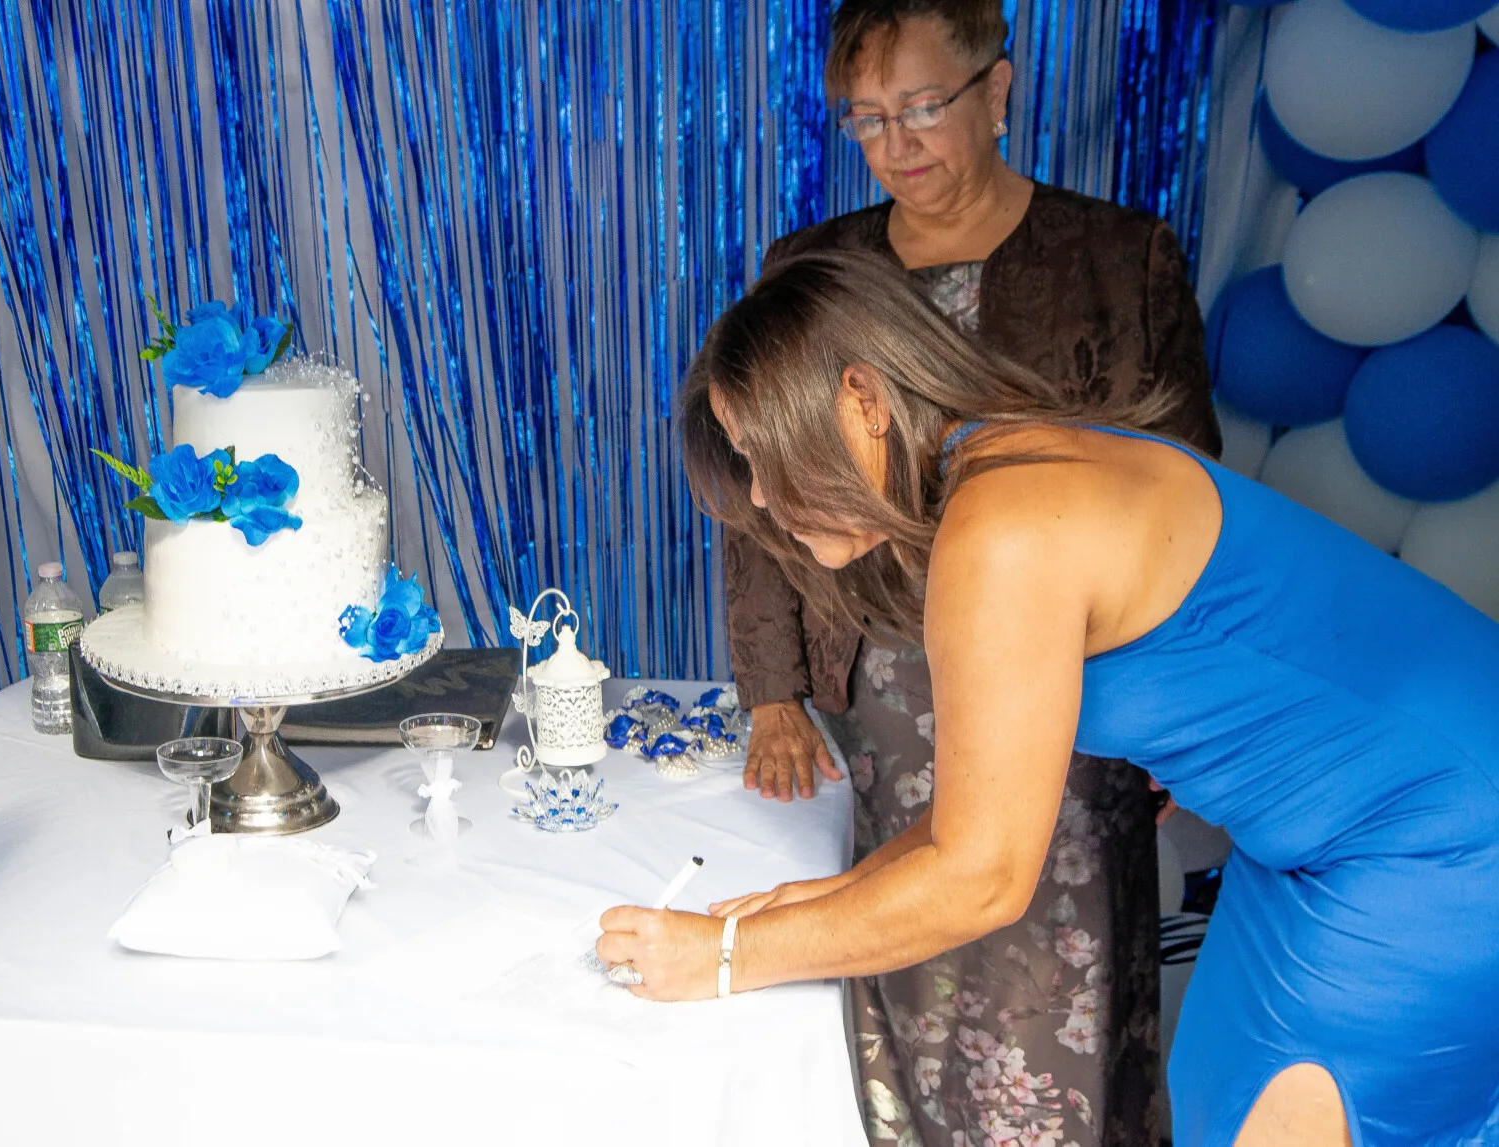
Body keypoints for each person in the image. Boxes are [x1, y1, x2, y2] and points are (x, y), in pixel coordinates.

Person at [598, 249, 1499, 1147]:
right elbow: (972, 822)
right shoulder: (1010, 459)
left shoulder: (1005, 526)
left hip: (1434, 839)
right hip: (1326, 832)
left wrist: (721, 961)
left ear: (863, 400)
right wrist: (806, 905)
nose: (758, 493)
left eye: (763, 450)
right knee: (1217, 1088)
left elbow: (979, 877)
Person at [722, 1, 1219, 1141]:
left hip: (1074, 678)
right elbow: (758, 505)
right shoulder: (813, 268)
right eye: (865, 120)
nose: (895, 144)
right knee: (904, 921)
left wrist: (1177, 713)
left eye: (922, 107)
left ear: (998, 90)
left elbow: (1181, 495)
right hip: (884, 680)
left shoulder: (1118, 255)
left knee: (1054, 936)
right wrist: (771, 690)